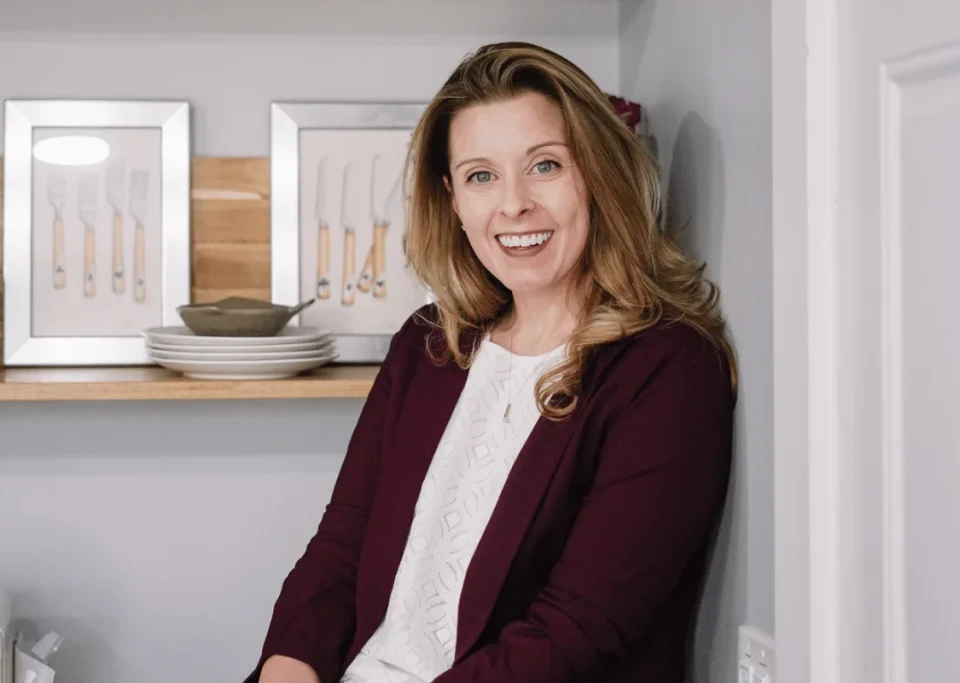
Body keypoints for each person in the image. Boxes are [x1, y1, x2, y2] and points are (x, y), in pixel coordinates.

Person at [244, 41, 737, 683]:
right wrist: (288, 667)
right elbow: (342, 548)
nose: (513, 204)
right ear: (451, 199)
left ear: (598, 173)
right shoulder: (428, 346)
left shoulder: (667, 371)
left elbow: (577, 632)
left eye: (545, 166)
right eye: (482, 175)